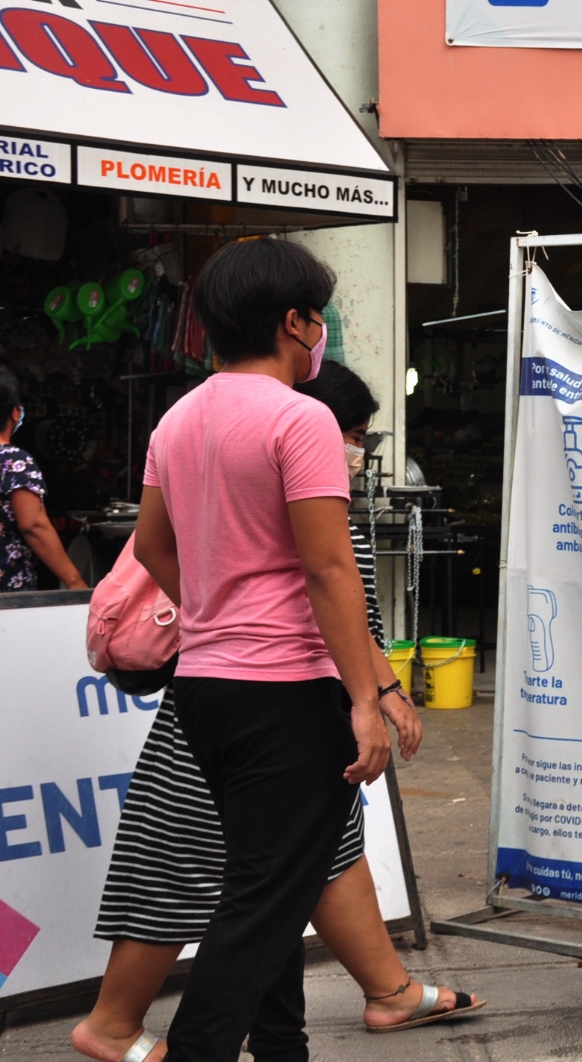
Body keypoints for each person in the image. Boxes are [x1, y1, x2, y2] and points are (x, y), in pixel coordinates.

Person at [72, 362, 482, 1062]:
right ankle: (126, 1027)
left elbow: (157, 545)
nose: (356, 450)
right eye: (353, 434)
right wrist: (371, 695)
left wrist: (215, 619)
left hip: (224, 696)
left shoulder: (193, 429)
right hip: (270, 702)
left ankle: (321, 1022)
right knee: (246, 885)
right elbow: (329, 591)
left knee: (294, 868)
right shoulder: (295, 468)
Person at [127, 239, 391, 1062]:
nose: (321, 332)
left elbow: (147, 547)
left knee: (271, 884)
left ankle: (283, 1049)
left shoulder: (180, 416)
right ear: (292, 321)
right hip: (287, 689)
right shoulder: (299, 418)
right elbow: (327, 567)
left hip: (206, 687)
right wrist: (367, 696)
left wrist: (215, 601)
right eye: (318, 317)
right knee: (261, 900)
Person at [0, 365, 86, 591]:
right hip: (8, 599)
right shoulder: (14, 461)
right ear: (15, 412)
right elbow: (34, 525)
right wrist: (75, 582)